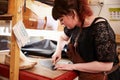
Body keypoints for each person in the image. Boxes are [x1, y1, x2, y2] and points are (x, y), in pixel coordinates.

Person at [51, 0, 120, 80]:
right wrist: (58, 51)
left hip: (105, 77)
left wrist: (72, 66)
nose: (61, 23)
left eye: (61, 19)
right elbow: (62, 38)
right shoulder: (75, 25)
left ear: (72, 14)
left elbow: (107, 65)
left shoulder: (101, 28)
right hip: (86, 75)